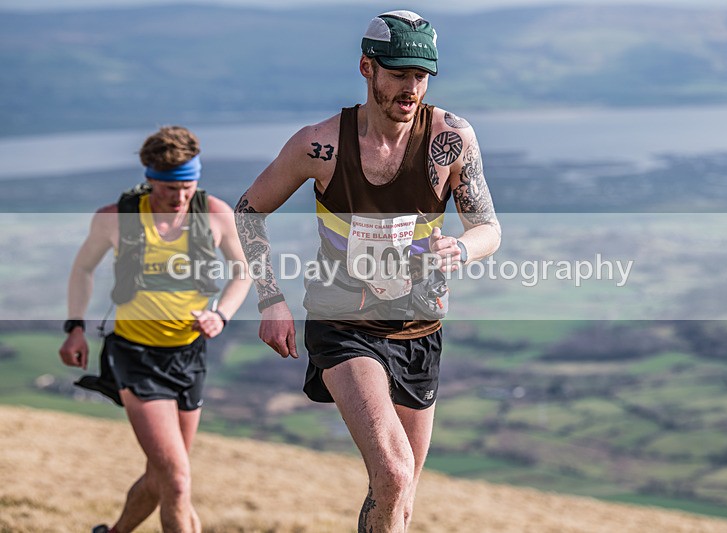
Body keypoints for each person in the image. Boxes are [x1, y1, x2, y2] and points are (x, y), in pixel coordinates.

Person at [235, 10, 501, 532]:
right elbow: (248, 210)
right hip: (343, 327)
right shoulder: (320, 145)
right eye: (399, 73)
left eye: (421, 76)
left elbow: (488, 228)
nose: (411, 88)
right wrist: (270, 299)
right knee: (395, 473)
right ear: (366, 67)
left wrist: (462, 248)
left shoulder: (452, 138)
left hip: (420, 329)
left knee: (399, 496)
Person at [58, 126, 251, 533]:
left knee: (162, 475)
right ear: (149, 180)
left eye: (187, 186)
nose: (179, 197)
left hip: (189, 356)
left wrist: (221, 314)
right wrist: (75, 327)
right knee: (178, 482)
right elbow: (82, 269)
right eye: (168, 188)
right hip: (135, 356)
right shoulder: (116, 219)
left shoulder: (215, 214)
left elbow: (243, 273)